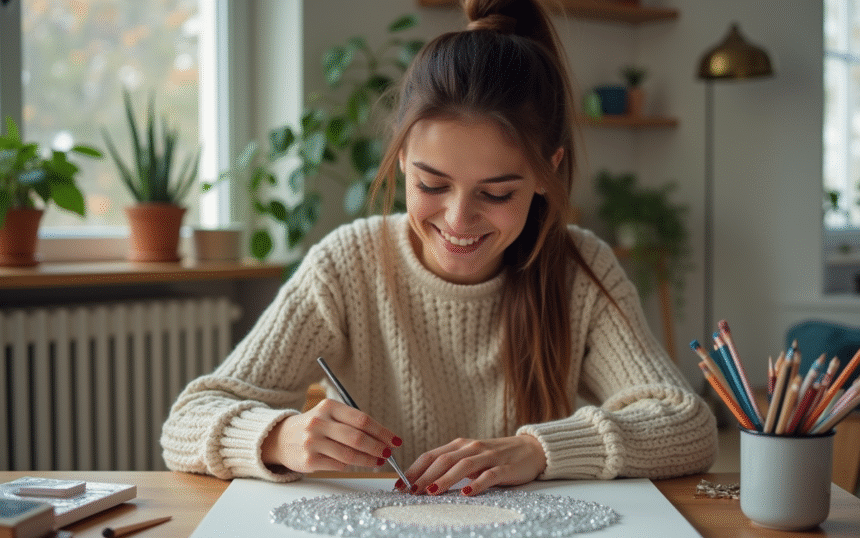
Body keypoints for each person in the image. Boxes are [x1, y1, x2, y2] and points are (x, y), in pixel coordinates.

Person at [161, 0, 718, 497]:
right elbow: (187, 422)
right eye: (431, 185)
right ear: (402, 158)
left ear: (548, 172)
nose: (458, 220)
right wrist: (280, 437)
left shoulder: (580, 267)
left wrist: (538, 451)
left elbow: (688, 426)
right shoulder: (346, 264)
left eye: (497, 193)